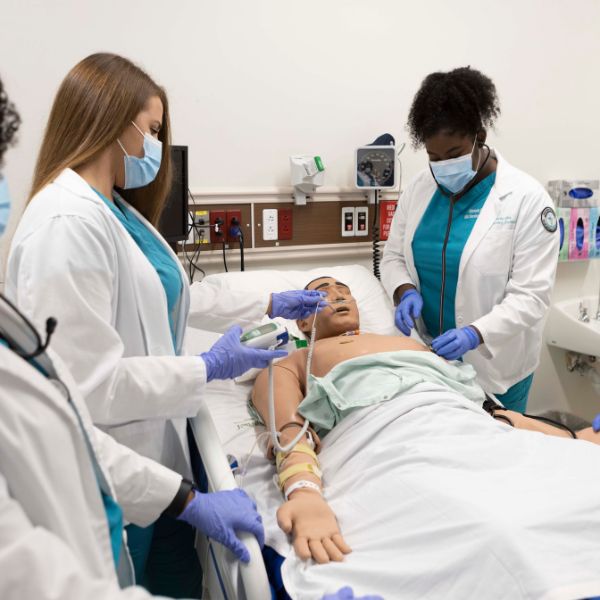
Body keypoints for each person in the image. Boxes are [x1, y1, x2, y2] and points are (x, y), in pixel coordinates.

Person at [4, 53, 326, 596]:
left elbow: (171, 295)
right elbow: (86, 389)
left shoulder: (114, 210)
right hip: (118, 475)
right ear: (112, 121)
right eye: (151, 131)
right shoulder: (66, 223)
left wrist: (268, 300)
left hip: (158, 460)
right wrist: (206, 366)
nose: (156, 146)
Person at [251, 276, 600, 564]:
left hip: (461, 424)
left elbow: (487, 412)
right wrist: (304, 491)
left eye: (346, 291)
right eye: (323, 293)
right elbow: (290, 432)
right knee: (491, 526)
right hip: (387, 432)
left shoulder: (410, 344)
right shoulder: (294, 360)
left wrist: (572, 440)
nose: (339, 295)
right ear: (303, 320)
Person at [380, 67, 559, 413]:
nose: (443, 165)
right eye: (433, 157)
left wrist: (474, 333)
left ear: (480, 136)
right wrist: (405, 291)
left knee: (496, 456)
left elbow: (532, 297)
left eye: (454, 154)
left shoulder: (526, 199)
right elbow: (392, 258)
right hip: (430, 359)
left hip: (495, 369)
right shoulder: (419, 189)